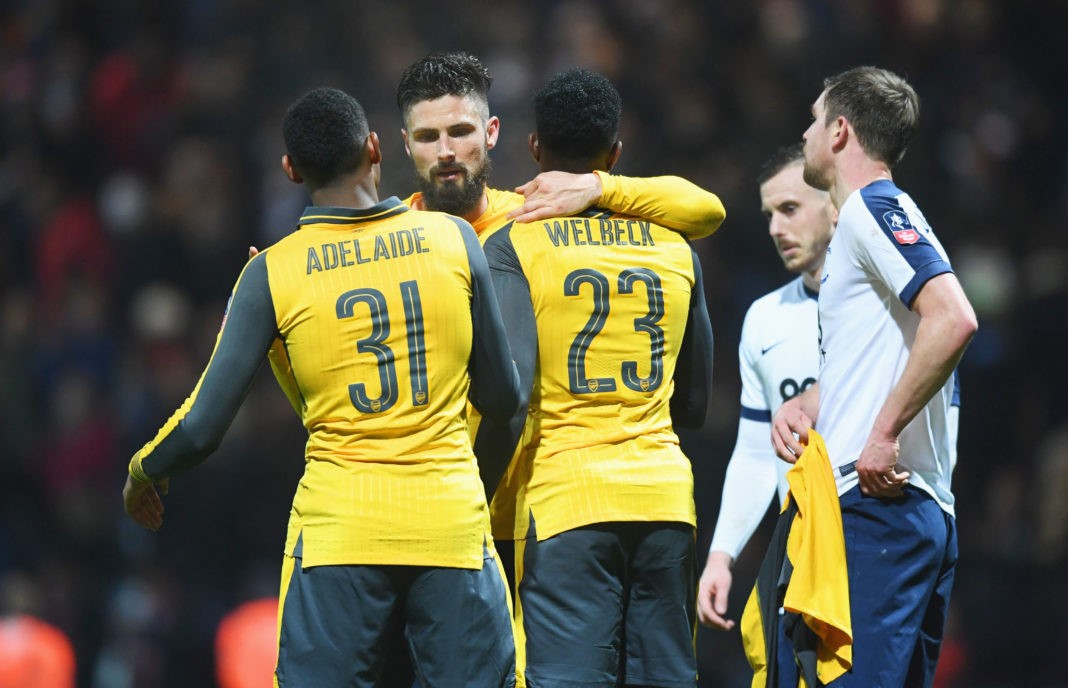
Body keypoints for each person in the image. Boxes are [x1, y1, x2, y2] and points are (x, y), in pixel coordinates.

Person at [122, 87, 521, 687]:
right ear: (375, 146)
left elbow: (203, 425)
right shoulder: (454, 239)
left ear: (291, 170)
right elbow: (506, 399)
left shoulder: (272, 271)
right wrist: (470, 491)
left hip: (340, 535)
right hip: (450, 526)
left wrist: (143, 471)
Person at [393, 49, 726, 589]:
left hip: (528, 512)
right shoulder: (385, 244)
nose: (448, 152)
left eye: (460, 131)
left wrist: (600, 186)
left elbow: (705, 210)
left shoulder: (533, 216)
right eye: (429, 137)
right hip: (431, 512)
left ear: (493, 132)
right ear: (406, 144)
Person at [478, 68, 714, 688]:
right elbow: (693, 401)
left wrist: (473, 496)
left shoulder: (516, 244)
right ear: (614, 154)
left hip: (567, 502)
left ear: (534, 148)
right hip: (665, 500)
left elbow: (510, 392)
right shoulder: (675, 245)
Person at [770, 66, 977, 687]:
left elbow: (954, 318)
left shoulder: (871, 208)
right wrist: (812, 400)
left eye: (813, 118)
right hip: (914, 508)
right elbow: (892, 346)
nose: (805, 132)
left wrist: (881, 433)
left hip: (878, 507)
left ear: (838, 131)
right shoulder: (876, 220)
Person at [697, 143, 837, 638]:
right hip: (796, 557)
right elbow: (757, 453)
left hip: (872, 541)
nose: (776, 227)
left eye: (790, 208)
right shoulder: (764, 318)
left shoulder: (893, 304)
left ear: (835, 205)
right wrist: (721, 555)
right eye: (769, 214)